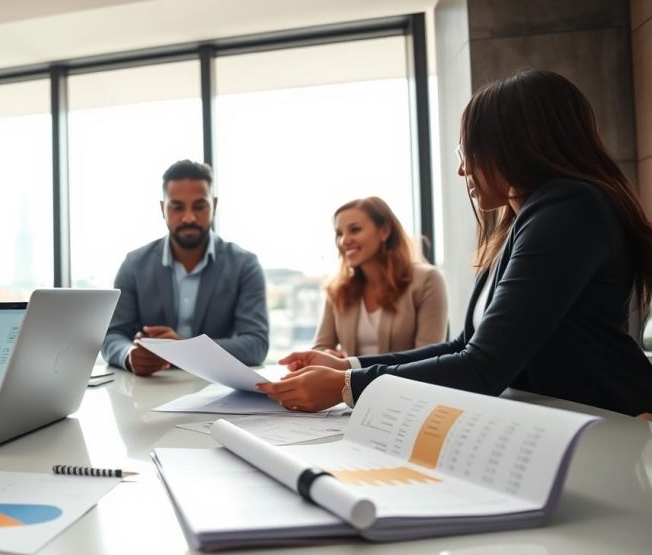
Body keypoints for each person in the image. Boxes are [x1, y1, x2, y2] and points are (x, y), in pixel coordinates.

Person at [262, 70, 652, 417]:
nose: (462, 168)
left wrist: (347, 388)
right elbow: (463, 346)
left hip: (611, 426)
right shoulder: (525, 223)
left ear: (516, 144)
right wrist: (347, 367)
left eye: (469, 151)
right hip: (564, 423)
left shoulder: (568, 210)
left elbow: (481, 367)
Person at [101, 159, 269, 375]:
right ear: (163, 209)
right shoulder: (134, 265)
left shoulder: (244, 265)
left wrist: (185, 350)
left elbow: (256, 345)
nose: (188, 217)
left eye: (199, 206)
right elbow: (112, 336)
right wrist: (129, 355)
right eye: (177, 207)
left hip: (216, 389)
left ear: (214, 206)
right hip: (149, 391)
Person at [310, 196, 448, 358]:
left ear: (384, 231)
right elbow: (319, 349)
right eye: (339, 234)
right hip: (349, 383)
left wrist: (350, 367)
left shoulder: (428, 280)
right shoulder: (339, 289)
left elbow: (427, 360)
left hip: (405, 384)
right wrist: (328, 356)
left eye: (355, 230)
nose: (344, 241)